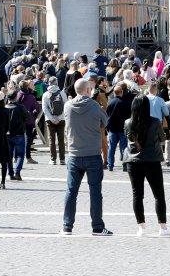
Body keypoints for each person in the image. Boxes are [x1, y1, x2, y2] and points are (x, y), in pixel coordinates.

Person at [61, 77, 112, 235]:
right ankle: (97, 227)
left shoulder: (68, 106)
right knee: (95, 192)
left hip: (74, 154)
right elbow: (105, 122)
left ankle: (67, 226)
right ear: (88, 90)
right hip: (92, 154)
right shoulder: (95, 106)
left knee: (71, 191)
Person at [125, 93, 170, 236]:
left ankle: (141, 227)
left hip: (133, 161)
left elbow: (128, 137)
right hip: (152, 160)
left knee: (137, 195)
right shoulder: (155, 121)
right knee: (159, 195)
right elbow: (162, 138)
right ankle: (162, 227)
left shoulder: (128, 122)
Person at [104, 83, 132, 170]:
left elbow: (107, 115)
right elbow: (129, 116)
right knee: (124, 147)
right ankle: (124, 165)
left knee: (111, 148)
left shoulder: (110, 102)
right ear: (122, 92)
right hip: (122, 128)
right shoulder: (125, 103)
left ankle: (110, 165)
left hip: (112, 128)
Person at [41, 83, 67, 165]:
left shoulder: (45, 94)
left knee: (52, 140)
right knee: (61, 140)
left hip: (49, 120)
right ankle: (62, 159)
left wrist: (52, 118)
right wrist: (59, 118)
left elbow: (44, 108)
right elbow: (65, 105)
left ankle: (53, 159)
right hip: (61, 119)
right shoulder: (62, 93)